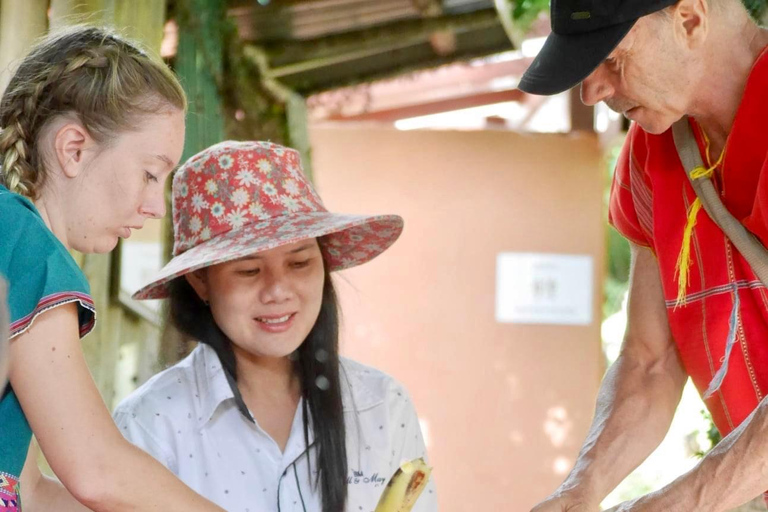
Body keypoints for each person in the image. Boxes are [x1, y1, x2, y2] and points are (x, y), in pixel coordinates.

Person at [519, 0, 768, 510]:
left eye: (612, 57)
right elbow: (650, 362)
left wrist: (674, 503)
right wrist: (581, 490)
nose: (592, 91)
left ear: (691, 19)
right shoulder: (651, 153)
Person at [113, 140, 438, 512]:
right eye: (249, 270)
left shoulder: (382, 405)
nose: (278, 291)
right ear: (200, 281)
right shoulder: (151, 424)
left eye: (299, 263)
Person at [0, 25, 226, 512]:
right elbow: (96, 468)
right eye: (150, 174)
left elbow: (28, 492)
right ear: (74, 149)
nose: (155, 207)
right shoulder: (23, 242)